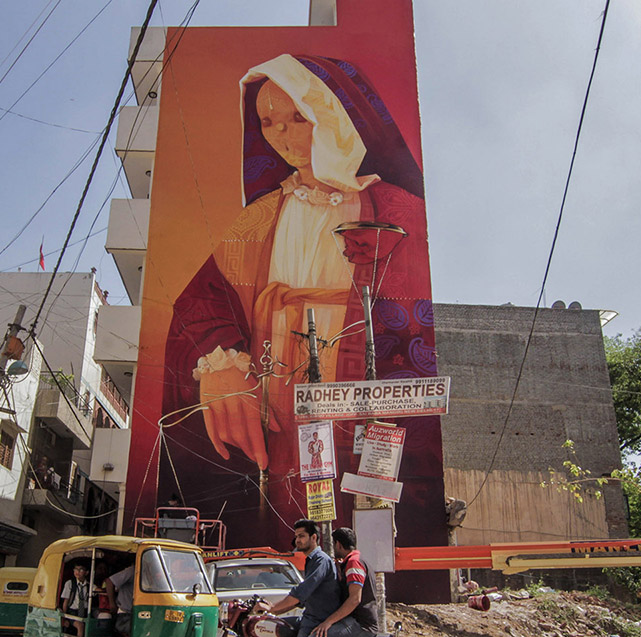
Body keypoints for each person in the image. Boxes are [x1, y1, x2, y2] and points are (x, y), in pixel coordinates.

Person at [162, 53, 437, 546]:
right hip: (278, 382)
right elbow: (201, 303)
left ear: (334, 114)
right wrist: (221, 363)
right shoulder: (259, 218)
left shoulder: (400, 212)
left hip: (353, 378)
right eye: (268, 123)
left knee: (364, 489)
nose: (285, 138)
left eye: (297, 119)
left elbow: (416, 323)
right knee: (286, 483)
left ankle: (363, 571)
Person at [61, 560, 91, 637]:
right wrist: (64, 618)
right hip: (72, 613)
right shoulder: (70, 583)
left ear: (86, 572)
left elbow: (97, 589)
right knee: (80, 625)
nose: (78, 572)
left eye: (81, 570)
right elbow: (66, 602)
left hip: (84, 613)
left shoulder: (89, 585)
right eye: (76, 570)